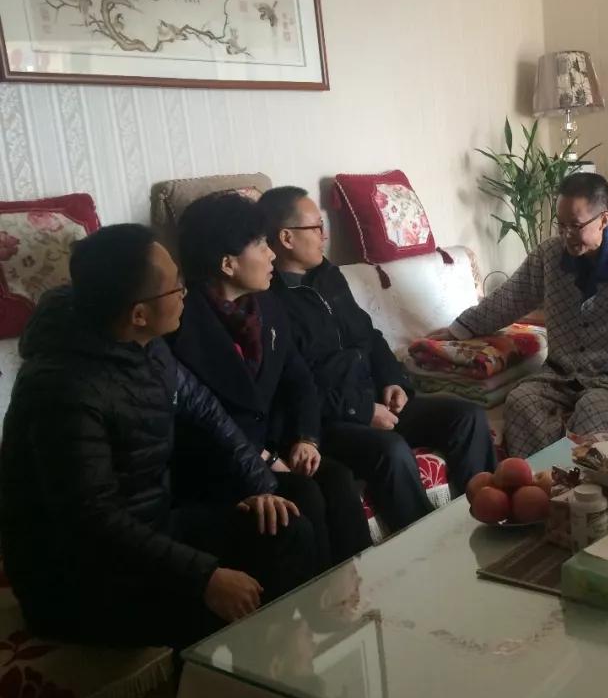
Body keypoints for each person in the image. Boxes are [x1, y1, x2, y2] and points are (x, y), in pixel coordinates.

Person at [0, 225, 318, 648]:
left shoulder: (146, 346)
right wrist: (204, 576)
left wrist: (261, 486)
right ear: (138, 314)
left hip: (150, 529)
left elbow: (208, 413)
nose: (186, 293)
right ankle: (253, 673)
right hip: (77, 577)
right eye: (176, 287)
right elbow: (91, 520)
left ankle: (283, 660)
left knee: (285, 526)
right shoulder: (62, 390)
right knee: (222, 608)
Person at [257, 187, 497, 528]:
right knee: (391, 451)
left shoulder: (328, 276)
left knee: (468, 418)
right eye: (316, 227)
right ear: (286, 238)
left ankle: (485, 518)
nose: (325, 235)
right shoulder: (270, 302)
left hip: (375, 398)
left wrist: (392, 381)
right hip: (329, 421)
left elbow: (368, 336)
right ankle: (427, 542)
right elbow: (296, 386)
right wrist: (362, 410)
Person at [438, 172, 608, 458]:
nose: (566, 234)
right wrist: (460, 329)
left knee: (592, 406)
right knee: (520, 400)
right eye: (561, 225)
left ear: (603, 220)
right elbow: (509, 298)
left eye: (576, 226)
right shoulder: (548, 256)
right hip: (562, 373)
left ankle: (584, 477)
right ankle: (545, 473)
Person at [170, 193, 372, 570]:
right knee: (304, 496)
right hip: (221, 465)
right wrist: (264, 458)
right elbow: (196, 426)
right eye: (261, 245)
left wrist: (306, 438)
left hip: (275, 447)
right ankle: (322, 598)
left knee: (337, 477)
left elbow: (300, 381)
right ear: (228, 263)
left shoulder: (266, 307)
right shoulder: (181, 327)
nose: (272, 255)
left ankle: (362, 583)